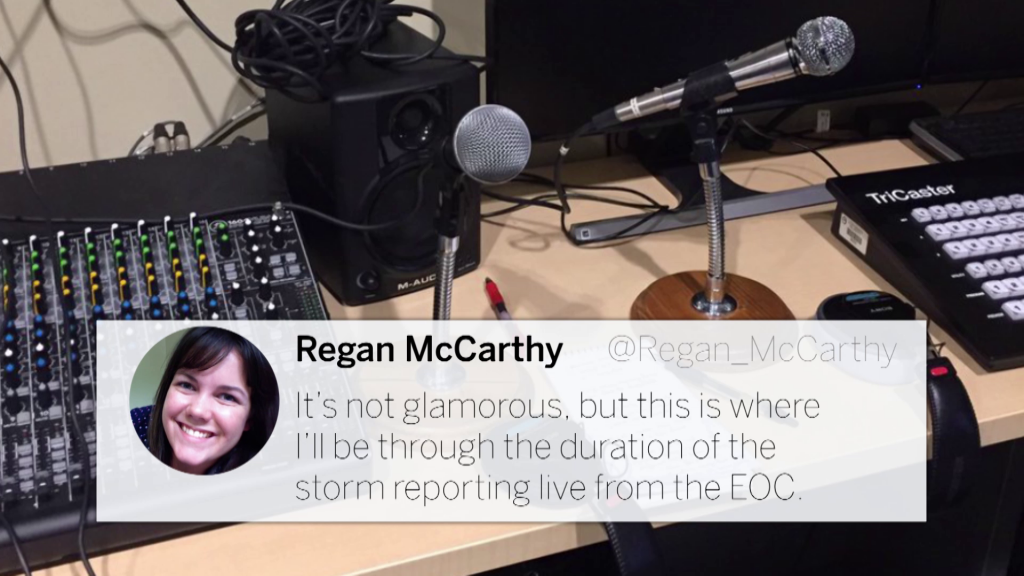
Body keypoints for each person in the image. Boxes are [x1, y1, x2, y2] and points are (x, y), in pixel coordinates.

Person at [146, 327, 278, 475]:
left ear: (250, 418)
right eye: (187, 385)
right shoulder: (135, 424)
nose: (197, 411)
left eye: (227, 397)